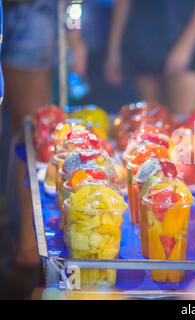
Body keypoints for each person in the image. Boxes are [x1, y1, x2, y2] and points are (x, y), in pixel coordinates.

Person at [1, 0, 87, 297]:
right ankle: (28, 242)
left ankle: (30, 244)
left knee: (32, 133)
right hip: (26, 18)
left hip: (31, 17)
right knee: (26, 131)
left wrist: (74, 31)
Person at [104, 0, 195, 115]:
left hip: (190, 38)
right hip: (143, 40)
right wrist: (113, 50)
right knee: (149, 121)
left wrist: (185, 46)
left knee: (187, 123)